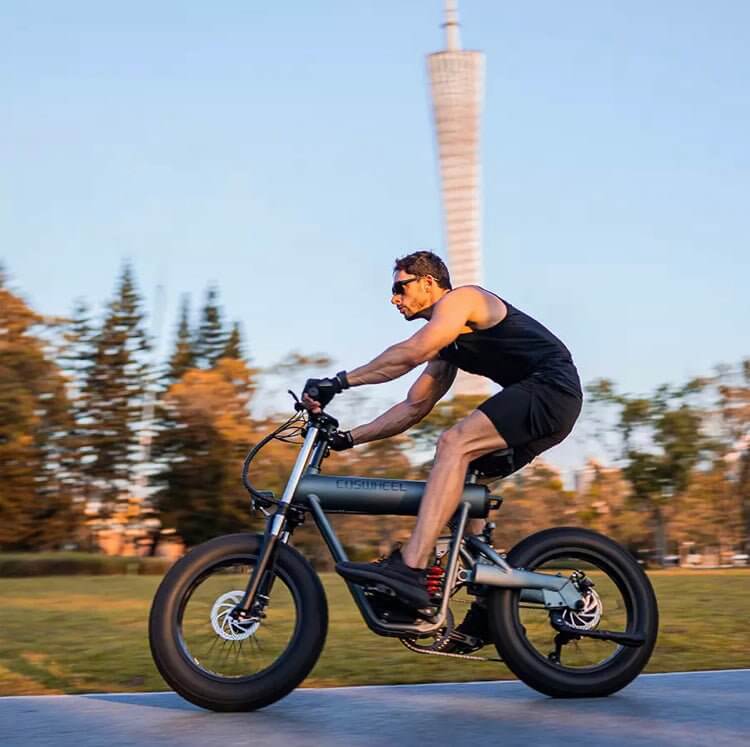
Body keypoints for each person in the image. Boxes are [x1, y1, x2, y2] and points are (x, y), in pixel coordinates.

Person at [302, 250, 582, 652]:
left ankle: (412, 568)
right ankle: (489, 608)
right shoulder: (448, 346)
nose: (394, 299)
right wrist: (350, 438)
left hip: (551, 389)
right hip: (546, 405)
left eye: (400, 288)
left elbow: (411, 352)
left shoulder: (463, 300)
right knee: (458, 482)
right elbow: (413, 407)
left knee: (453, 443)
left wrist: (339, 382)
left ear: (428, 282)